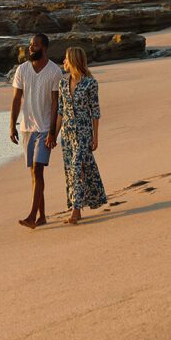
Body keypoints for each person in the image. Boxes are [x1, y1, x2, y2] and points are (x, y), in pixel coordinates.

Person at [10, 33, 63, 229]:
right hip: (26, 128)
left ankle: (32, 216)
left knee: (38, 169)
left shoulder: (54, 71)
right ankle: (42, 216)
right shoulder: (22, 69)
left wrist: (52, 133)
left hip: (44, 128)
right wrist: (12, 125)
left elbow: (57, 103)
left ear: (45, 48)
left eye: (35, 46)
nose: (31, 48)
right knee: (34, 173)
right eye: (30, 45)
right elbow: (16, 99)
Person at [52, 46, 107, 224]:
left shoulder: (91, 83)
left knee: (77, 169)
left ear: (74, 60)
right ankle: (79, 206)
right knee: (72, 171)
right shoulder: (62, 84)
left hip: (84, 133)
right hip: (67, 134)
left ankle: (75, 211)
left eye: (66, 59)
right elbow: (61, 111)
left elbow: (95, 112)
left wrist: (95, 137)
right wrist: (54, 135)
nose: (64, 62)